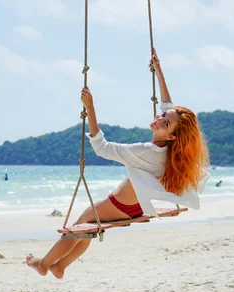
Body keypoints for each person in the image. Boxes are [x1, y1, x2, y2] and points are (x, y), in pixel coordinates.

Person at [26, 48, 210, 279]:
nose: (159, 118)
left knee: (82, 223)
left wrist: (90, 108)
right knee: (90, 226)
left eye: (165, 123)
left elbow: (102, 147)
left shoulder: (146, 151)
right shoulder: (173, 149)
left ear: (171, 135)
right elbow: (167, 105)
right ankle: (59, 266)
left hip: (123, 204)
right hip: (137, 204)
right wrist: (159, 72)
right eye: (163, 116)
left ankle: (44, 263)